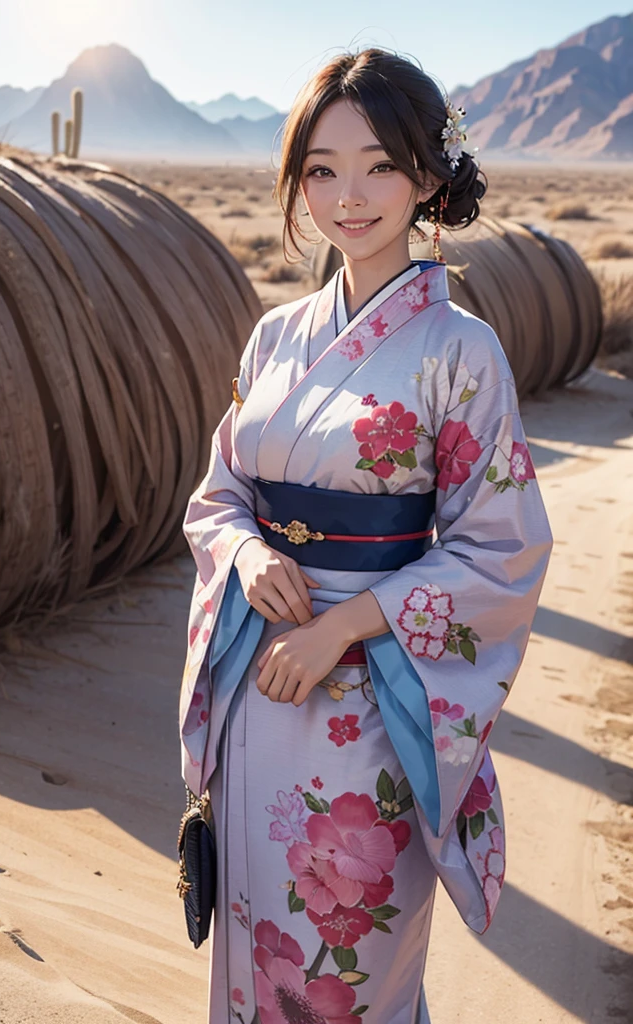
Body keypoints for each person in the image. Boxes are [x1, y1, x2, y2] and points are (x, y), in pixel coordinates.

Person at [179, 48, 553, 1024]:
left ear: (427, 176)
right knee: (253, 944)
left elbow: (499, 548)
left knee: (346, 961)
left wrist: (340, 630)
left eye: (378, 164)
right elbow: (219, 494)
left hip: (372, 707)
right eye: (321, 169)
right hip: (259, 688)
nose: (348, 196)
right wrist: (251, 555)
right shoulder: (274, 336)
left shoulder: (460, 351)